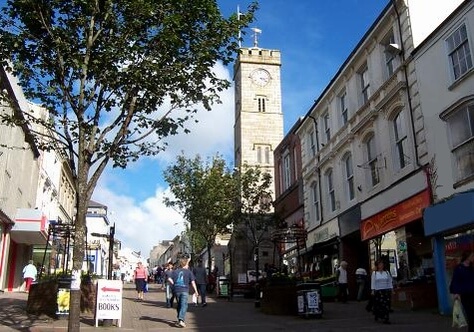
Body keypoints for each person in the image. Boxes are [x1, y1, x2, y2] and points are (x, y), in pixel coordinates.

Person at [168, 257, 199, 328]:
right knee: (184, 305)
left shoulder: (175, 271)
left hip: (177, 290)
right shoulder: (188, 272)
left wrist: (173, 283)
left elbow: (169, 278)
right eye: (188, 264)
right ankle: (181, 320)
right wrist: (196, 291)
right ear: (186, 264)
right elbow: (193, 282)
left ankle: (180, 319)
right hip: (184, 290)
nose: (188, 265)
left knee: (179, 305)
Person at [450, 250, 474, 332]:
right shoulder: (459, 268)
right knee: (470, 315)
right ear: (467, 257)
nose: (473, 258)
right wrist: (456, 293)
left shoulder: (472, 267)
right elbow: (455, 281)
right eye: (472, 256)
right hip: (466, 295)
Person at [371, 259, 393, 324]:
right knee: (379, 304)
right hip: (378, 290)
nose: (381, 265)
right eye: (380, 264)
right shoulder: (374, 273)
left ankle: (386, 318)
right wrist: (373, 290)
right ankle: (378, 314)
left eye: (382, 264)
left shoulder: (386, 272)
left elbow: (389, 281)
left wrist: (391, 289)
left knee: (386, 304)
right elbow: (373, 282)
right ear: (377, 266)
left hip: (385, 290)